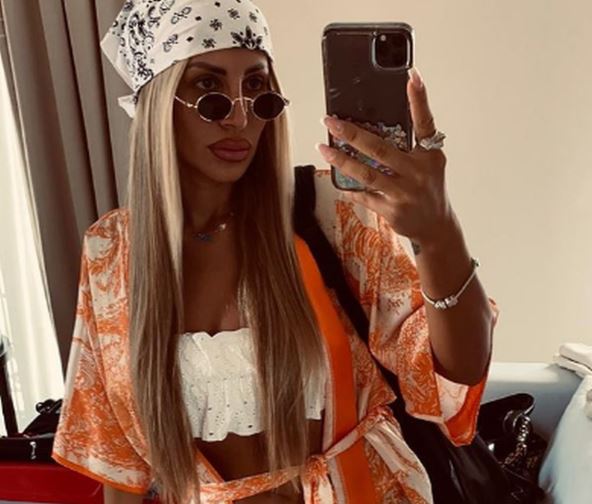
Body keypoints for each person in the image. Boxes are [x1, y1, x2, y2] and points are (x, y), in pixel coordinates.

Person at [51, 1, 496, 503]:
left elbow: (451, 376)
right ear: (156, 103)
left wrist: (439, 235)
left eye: (257, 89)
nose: (240, 117)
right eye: (208, 89)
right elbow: (118, 462)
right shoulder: (112, 250)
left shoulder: (330, 212)